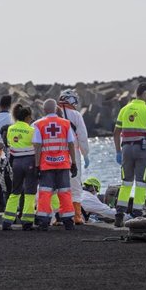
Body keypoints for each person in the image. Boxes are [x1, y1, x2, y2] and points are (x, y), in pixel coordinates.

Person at [112, 82, 146, 226]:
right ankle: (137, 215)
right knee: (141, 183)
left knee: (126, 182)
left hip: (126, 149)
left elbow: (116, 133)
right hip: (142, 149)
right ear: (145, 94)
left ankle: (119, 215)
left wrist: (118, 151)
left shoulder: (124, 109)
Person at [32, 98, 78, 231]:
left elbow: (38, 146)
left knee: (45, 193)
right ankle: (68, 221)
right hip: (63, 164)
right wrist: (73, 163)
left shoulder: (39, 124)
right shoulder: (65, 123)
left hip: (46, 165)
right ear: (56, 109)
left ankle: (44, 221)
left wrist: (36, 165)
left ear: (44, 110)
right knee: (65, 192)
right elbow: (70, 143)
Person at [2, 104, 38, 231]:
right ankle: (27, 221)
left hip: (16, 162)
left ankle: (7, 220)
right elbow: (37, 146)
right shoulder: (31, 130)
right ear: (28, 117)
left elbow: (10, 144)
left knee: (15, 191)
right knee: (30, 192)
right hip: (29, 162)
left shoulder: (10, 129)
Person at [57, 89, 90, 225]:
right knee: (75, 184)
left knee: (57, 185)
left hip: (55, 153)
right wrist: (85, 154)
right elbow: (82, 136)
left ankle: (57, 217)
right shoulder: (76, 115)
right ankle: (76, 216)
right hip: (73, 153)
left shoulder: (52, 114)